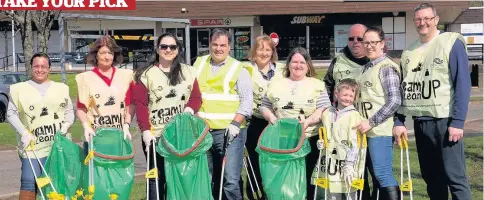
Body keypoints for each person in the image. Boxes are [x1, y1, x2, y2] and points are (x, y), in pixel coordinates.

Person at [393, 3, 472, 200]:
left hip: (446, 123)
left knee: (455, 178)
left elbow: (462, 83)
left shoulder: (450, 42)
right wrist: (398, 120)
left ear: (436, 20)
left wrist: (458, 122)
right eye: (418, 19)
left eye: (427, 18)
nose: (423, 23)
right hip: (421, 123)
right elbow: (404, 87)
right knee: (432, 178)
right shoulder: (409, 52)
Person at [132, 33, 202, 199]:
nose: (168, 50)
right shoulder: (146, 74)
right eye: (164, 46)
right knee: (156, 176)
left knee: (179, 176)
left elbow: (196, 97)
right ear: (157, 49)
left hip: (181, 134)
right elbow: (141, 105)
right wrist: (145, 131)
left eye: (172, 47)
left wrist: (189, 110)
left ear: (178, 50)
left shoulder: (188, 71)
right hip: (156, 135)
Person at [259, 47, 331, 200]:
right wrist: (271, 117)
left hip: (310, 138)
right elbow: (264, 105)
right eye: (294, 62)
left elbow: (323, 108)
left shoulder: (317, 85)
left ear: (308, 65)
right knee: (283, 179)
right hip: (282, 140)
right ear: (288, 64)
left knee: (308, 178)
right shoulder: (276, 83)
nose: (298, 65)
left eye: (302, 62)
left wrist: (309, 121)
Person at [192, 28, 253, 200]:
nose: (218, 49)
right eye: (215, 44)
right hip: (203, 131)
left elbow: (247, 100)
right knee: (207, 177)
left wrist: (235, 124)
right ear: (210, 44)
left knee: (230, 179)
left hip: (230, 131)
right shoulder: (198, 64)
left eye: (223, 45)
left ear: (229, 47)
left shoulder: (238, 68)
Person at [7, 53, 75, 200]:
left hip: (57, 145)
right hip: (32, 145)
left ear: (49, 68)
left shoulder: (61, 88)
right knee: (29, 181)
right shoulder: (19, 89)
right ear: (31, 68)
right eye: (36, 66)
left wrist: (67, 124)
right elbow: (11, 114)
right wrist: (23, 132)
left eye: (43, 66)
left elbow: (69, 111)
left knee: (56, 183)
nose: (40, 69)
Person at [353, 26, 402, 200]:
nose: (369, 46)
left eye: (373, 42)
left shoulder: (386, 67)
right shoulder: (367, 67)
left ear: (382, 43)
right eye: (366, 42)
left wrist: (371, 122)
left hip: (378, 131)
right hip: (365, 132)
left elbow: (395, 100)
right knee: (372, 176)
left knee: (382, 174)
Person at [243, 35, 284, 200]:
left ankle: (275, 194)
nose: (264, 53)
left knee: (276, 160)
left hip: (278, 123)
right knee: (255, 161)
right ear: (254, 51)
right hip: (254, 121)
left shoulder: (282, 69)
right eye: (260, 49)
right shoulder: (246, 70)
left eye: (268, 49)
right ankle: (255, 194)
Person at [75, 35, 134, 148]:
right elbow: (81, 108)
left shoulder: (126, 76)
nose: (107, 57)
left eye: (110, 53)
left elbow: (130, 104)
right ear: (96, 55)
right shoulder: (85, 78)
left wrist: (127, 124)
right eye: (103, 53)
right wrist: (86, 126)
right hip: (96, 136)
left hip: (119, 136)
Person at [315, 78, 365, 200]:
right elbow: (324, 132)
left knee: (349, 191)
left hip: (348, 161)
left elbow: (355, 143)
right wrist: (321, 142)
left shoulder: (354, 116)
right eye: (345, 94)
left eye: (351, 95)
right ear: (336, 94)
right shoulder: (327, 113)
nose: (348, 98)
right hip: (331, 161)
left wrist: (349, 164)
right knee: (332, 192)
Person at [323, 24, 369, 103]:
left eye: (359, 39)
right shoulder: (337, 61)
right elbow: (327, 87)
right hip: (341, 113)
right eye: (351, 38)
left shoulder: (377, 62)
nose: (355, 41)